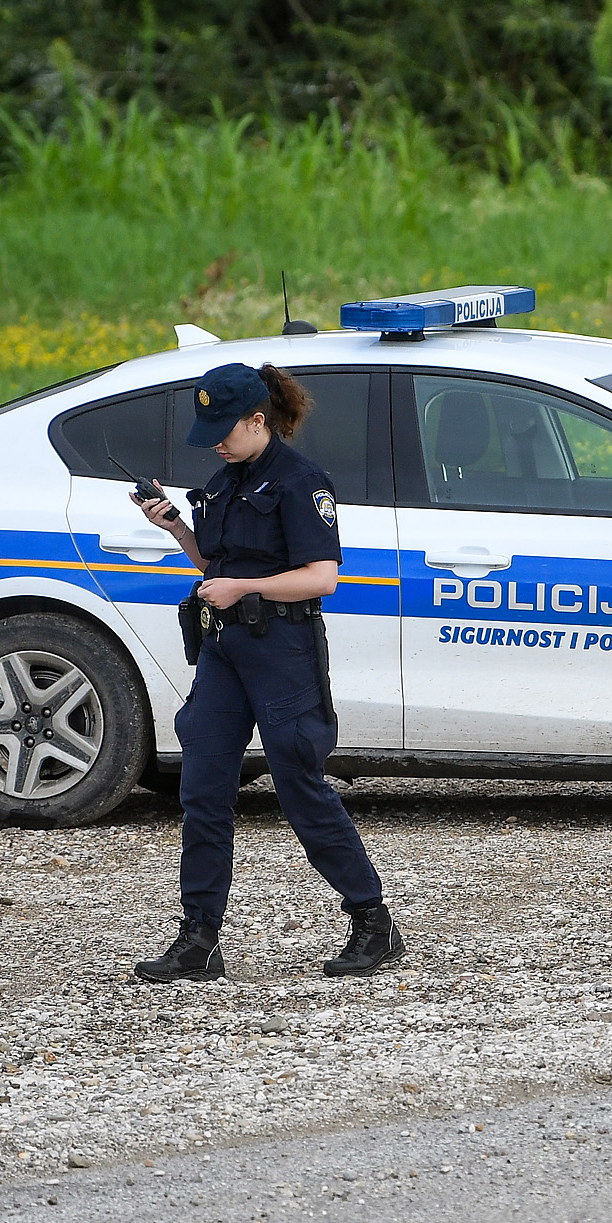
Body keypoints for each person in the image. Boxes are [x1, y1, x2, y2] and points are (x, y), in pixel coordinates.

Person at [128, 361, 406, 982]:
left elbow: (321, 576)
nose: (216, 443)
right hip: (225, 649)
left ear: (259, 420)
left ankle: (371, 919)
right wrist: (174, 526)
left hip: (282, 646)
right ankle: (199, 938)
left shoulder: (302, 483)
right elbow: (215, 564)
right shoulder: (223, 483)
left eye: (224, 430)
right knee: (202, 789)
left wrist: (239, 587)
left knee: (299, 783)